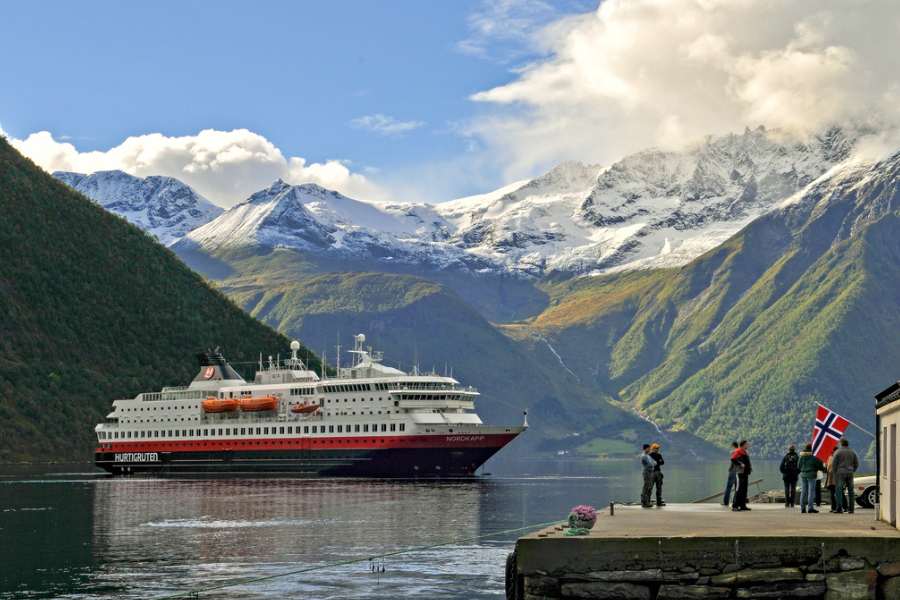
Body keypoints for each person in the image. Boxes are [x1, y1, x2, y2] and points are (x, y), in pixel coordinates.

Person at [833, 438, 859, 514]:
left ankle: (839, 509)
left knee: (839, 491)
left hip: (840, 473)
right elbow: (856, 463)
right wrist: (853, 470)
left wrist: (835, 473)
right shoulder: (852, 452)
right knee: (851, 491)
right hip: (850, 472)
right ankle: (851, 509)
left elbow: (834, 464)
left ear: (841, 443)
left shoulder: (837, 452)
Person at [798, 443, 824, 514]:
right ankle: (810, 508)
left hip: (803, 475)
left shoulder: (801, 457)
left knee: (803, 491)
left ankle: (802, 508)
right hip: (812, 475)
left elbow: (798, 466)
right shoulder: (813, 457)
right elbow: (819, 466)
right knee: (811, 492)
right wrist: (825, 469)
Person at [731, 440, 753, 511]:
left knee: (744, 490)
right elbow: (733, 459)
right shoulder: (738, 451)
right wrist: (740, 464)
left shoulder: (744, 452)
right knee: (738, 489)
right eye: (747, 444)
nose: (748, 445)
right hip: (740, 473)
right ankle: (735, 506)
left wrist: (749, 468)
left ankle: (743, 505)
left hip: (745, 473)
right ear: (743, 445)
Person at [649, 442, 666, 507]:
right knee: (650, 487)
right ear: (652, 448)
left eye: (658, 448)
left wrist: (657, 462)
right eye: (656, 448)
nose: (657, 449)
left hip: (657, 472)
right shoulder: (650, 455)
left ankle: (659, 502)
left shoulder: (659, 455)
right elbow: (659, 462)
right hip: (652, 472)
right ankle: (648, 501)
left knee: (659, 488)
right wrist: (658, 462)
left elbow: (663, 462)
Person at [723, 441, 739, 506]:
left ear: (733, 446)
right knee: (737, 488)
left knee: (729, 487)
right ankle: (735, 502)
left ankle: (726, 502)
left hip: (732, 471)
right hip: (738, 472)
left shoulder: (734, 452)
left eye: (731, 446)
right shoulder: (739, 451)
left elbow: (733, 460)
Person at [825, 445, 838, 513]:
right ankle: (836, 507)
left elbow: (827, 467)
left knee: (833, 493)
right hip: (835, 478)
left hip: (832, 478)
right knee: (836, 493)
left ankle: (834, 507)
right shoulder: (836, 457)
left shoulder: (830, 457)